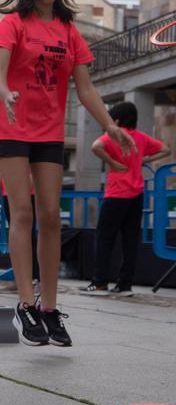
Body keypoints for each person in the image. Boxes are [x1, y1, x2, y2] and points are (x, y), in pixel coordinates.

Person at [0, 0, 136, 347]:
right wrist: (4, 93)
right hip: (13, 126)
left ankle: (49, 308)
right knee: (22, 211)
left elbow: (84, 88)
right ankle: (25, 304)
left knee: (51, 215)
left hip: (48, 131)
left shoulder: (69, 31)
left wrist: (110, 127)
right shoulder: (12, 23)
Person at [82, 102, 169, 297]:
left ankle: (100, 283)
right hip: (137, 194)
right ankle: (125, 285)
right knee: (130, 240)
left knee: (104, 238)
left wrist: (112, 162)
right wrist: (143, 160)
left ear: (117, 120)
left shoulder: (115, 134)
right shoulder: (141, 138)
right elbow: (166, 149)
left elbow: (95, 146)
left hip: (116, 194)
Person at [0, 166, 41, 294]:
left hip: (27, 192)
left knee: (29, 234)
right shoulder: (3, 147)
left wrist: (25, 189)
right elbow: (1, 168)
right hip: (8, 193)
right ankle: (20, 280)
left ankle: (37, 278)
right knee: (16, 235)